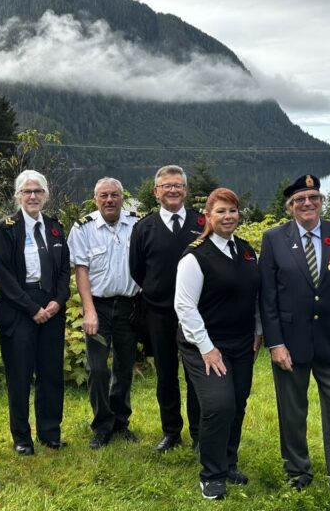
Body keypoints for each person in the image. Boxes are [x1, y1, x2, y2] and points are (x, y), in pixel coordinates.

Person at [259, 174, 330, 492]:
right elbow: (268, 298)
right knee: (292, 412)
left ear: (321, 202)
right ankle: (298, 473)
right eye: (300, 199)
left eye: (313, 198)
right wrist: (275, 343)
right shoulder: (274, 238)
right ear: (291, 206)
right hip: (290, 344)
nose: (308, 203)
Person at [174, 188, 262, 500]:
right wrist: (207, 348)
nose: (228, 217)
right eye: (221, 211)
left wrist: (258, 331)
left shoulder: (248, 251)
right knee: (218, 405)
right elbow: (184, 307)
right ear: (208, 217)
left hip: (241, 343)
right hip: (204, 345)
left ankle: (229, 462)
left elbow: (255, 296)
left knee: (237, 403)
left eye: (233, 211)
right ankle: (211, 475)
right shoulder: (196, 256)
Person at [0, 170, 71, 456]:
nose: (33, 196)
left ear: (46, 196)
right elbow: (3, 275)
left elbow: (64, 271)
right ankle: (22, 437)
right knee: (20, 375)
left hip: (51, 306)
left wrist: (59, 301)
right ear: (18, 196)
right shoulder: (6, 228)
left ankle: (50, 433)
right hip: (19, 308)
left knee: (51, 374)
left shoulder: (54, 227)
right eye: (27, 192)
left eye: (38, 191)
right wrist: (31, 307)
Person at [129, 165, 203, 452]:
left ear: (185, 190)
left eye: (178, 185)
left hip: (196, 313)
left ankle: (199, 433)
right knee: (166, 374)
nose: (172, 190)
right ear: (156, 191)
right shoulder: (143, 227)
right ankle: (171, 431)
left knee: (197, 373)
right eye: (166, 186)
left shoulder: (202, 222)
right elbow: (137, 270)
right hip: (158, 313)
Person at [67, 177, 141, 449]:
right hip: (97, 307)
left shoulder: (137, 223)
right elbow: (81, 270)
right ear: (95, 199)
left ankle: (121, 423)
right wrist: (88, 310)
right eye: (103, 196)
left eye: (114, 195)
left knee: (124, 367)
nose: (109, 200)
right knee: (97, 369)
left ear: (122, 197)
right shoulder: (83, 228)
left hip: (129, 308)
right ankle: (102, 425)